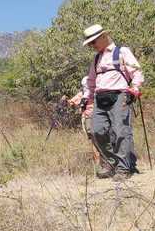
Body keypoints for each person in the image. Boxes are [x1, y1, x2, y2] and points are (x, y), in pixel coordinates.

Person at [81, 24, 144, 182]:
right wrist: (85, 97)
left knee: (121, 131)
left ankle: (123, 168)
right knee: (97, 131)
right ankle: (111, 163)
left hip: (120, 96)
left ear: (103, 36)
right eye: (90, 43)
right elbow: (91, 80)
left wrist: (134, 91)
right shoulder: (96, 59)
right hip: (100, 99)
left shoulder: (122, 51)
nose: (92, 45)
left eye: (94, 41)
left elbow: (136, 72)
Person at [62, 77, 100, 165]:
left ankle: (99, 162)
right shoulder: (82, 94)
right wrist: (66, 100)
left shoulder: (96, 93)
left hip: (94, 117)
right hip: (90, 118)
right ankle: (98, 162)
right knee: (95, 140)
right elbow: (70, 103)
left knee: (95, 140)